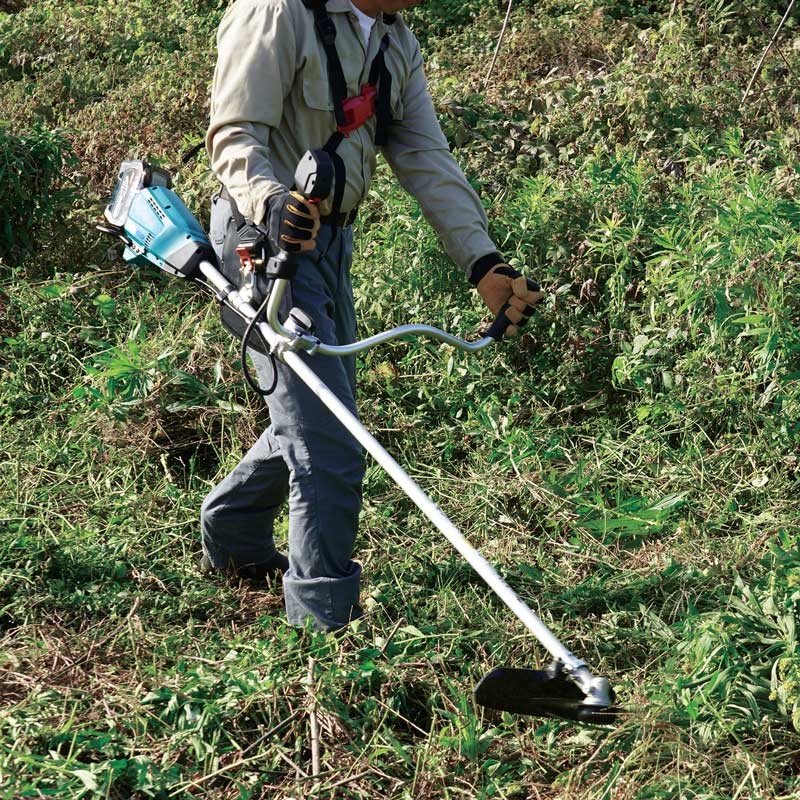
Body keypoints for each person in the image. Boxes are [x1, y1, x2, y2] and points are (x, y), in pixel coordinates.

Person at [200, 0, 543, 631]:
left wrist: (483, 264)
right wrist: (273, 203)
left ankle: (232, 529)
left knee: (320, 416)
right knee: (329, 438)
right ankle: (322, 624)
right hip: (267, 243)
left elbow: (425, 156)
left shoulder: (393, 42)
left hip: (332, 246)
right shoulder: (277, 11)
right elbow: (233, 133)